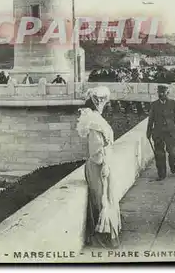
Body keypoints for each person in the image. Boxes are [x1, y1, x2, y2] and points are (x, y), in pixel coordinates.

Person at [77, 87, 121, 248]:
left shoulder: (95, 119)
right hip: (98, 165)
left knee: (105, 196)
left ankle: (107, 234)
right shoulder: (94, 122)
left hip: (102, 163)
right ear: (98, 103)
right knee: (101, 197)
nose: (107, 105)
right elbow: (95, 150)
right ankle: (104, 236)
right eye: (104, 102)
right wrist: (104, 164)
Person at [146, 85, 175, 180]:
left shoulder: (173, 103)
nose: (161, 94)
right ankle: (161, 174)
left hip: (171, 132)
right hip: (158, 133)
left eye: (163, 92)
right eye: (159, 92)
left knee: (172, 153)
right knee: (159, 154)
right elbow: (151, 119)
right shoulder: (154, 105)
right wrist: (148, 131)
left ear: (167, 93)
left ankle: (172, 164)